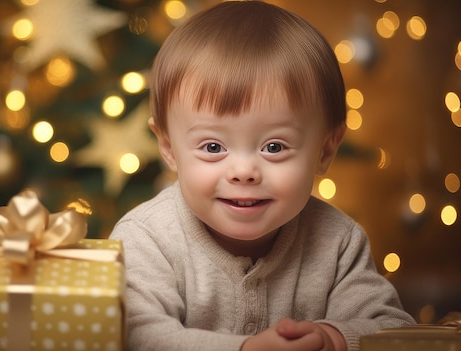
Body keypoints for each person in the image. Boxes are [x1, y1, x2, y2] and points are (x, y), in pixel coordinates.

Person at [109, 1, 415, 350]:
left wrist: (333, 339)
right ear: (168, 148)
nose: (244, 172)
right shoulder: (147, 239)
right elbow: (136, 334)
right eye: (212, 147)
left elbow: (392, 327)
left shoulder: (337, 241)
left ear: (325, 150)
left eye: (273, 147)